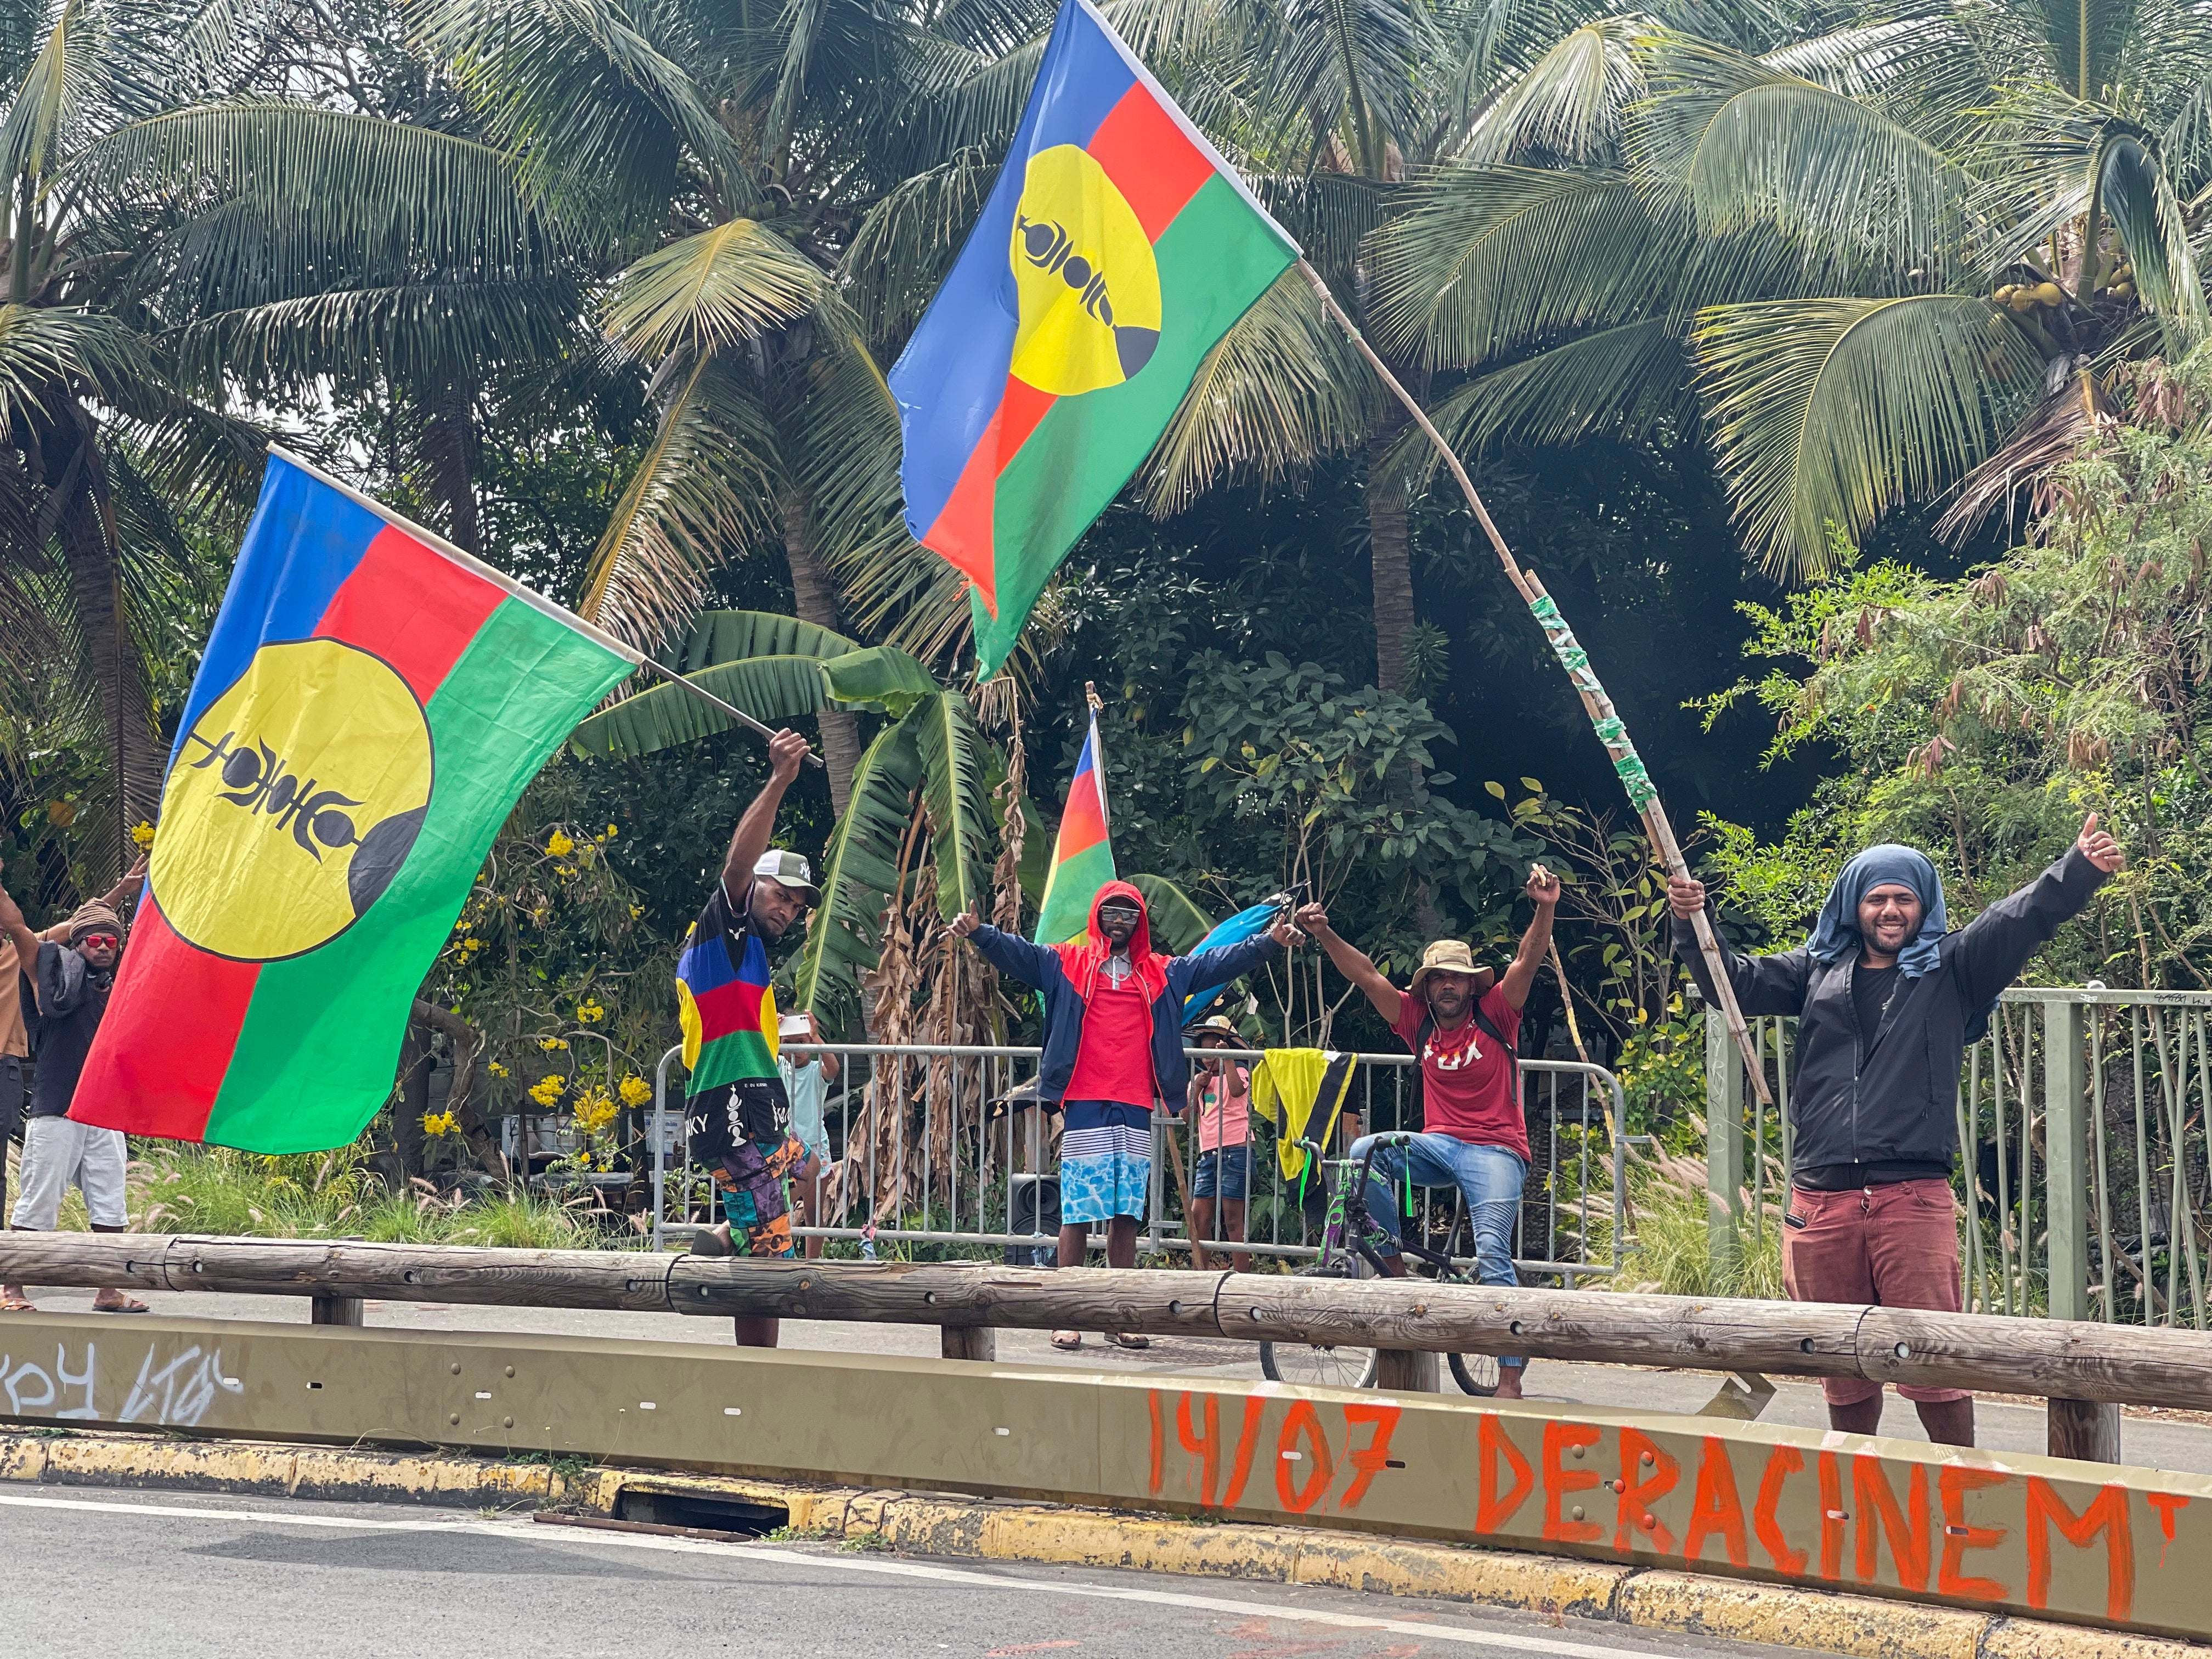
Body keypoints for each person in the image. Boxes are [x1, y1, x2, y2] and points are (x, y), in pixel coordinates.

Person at [1667, 815, 2122, 1447]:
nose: (1889, 910)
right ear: (1853, 906)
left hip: (1911, 1199)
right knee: (1841, 1366)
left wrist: (2077, 869)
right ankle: (1858, 1484)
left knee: (1934, 1362)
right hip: (1819, 1202)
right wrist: (1692, 923)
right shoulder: (1815, 971)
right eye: (1876, 898)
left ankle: (1958, 1489)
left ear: (1924, 905)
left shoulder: (1954, 968)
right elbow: (1732, 984)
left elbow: (2016, 919)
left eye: (1903, 898)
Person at [951, 881, 1299, 1351]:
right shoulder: (1068, 963)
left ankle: (1120, 1315)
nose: (1118, 921)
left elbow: (1217, 962)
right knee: (1077, 1211)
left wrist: (1269, 942)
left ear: (1140, 922)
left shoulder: (1162, 972)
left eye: (1128, 914)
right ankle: (1068, 1314)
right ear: (1097, 916)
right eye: (1111, 912)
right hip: (1085, 1101)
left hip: (1135, 1103)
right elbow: (1021, 956)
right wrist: (981, 933)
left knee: (1125, 1214)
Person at [1298, 864, 1562, 1401]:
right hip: (1438, 1145)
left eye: (1456, 978)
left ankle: (1510, 1378)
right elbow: (1365, 975)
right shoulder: (1416, 1020)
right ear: (1427, 986)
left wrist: (1545, 907)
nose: (1447, 985)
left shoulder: (1498, 1012)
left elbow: (1527, 961)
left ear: (1471, 984)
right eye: (1438, 978)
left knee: (1491, 1252)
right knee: (1365, 1150)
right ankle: (1397, 1276)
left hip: (1497, 1150)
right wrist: (1323, 932)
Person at [678, 727, 822, 1347]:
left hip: (760, 1115)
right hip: (734, 1117)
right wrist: (779, 780)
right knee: (769, 1262)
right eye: (778, 895)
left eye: (796, 905)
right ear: (752, 889)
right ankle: (758, 1377)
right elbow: (737, 866)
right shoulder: (725, 930)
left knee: (812, 1167)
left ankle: (723, 1235)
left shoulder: (748, 958)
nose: (786, 909)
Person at [0, 851, 152, 1314]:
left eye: (112, 941)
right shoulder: (49, 975)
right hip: (57, 1107)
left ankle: (108, 1291)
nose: (104, 947)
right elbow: (19, 927)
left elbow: (94, 923)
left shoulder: (116, 987)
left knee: (111, 1202)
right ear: (78, 945)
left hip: (102, 1110)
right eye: (95, 942)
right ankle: (11, 1290)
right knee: (39, 1200)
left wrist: (123, 893)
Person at [1184, 1015, 1254, 1272]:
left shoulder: (1240, 1072)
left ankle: (1242, 1277)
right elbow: (1186, 1116)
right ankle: (1199, 1274)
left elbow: (1236, 1091)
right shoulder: (1198, 1080)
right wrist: (1197, 1088)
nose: (1207, 1057)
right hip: (1208, 1154)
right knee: (1199, 1217)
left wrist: (1228, 1059)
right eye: (1204, 1052)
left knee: (1233, 1219)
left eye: (1214, 1050)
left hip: (1237, 1151)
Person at [776, 1009, 840, 1262]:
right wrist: (771, 1031)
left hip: (814, 1148)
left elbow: (833, 1068)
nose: (795, 1048)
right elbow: (760, 1058)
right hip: (783, 1148)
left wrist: (816, 1037)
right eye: (788, 1042)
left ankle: (811, 1262)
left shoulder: (816, 1071)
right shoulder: (778, 1066)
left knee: (813, 1212)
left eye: (801, 1042)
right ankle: (782, 1258)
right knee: (780, 1207)